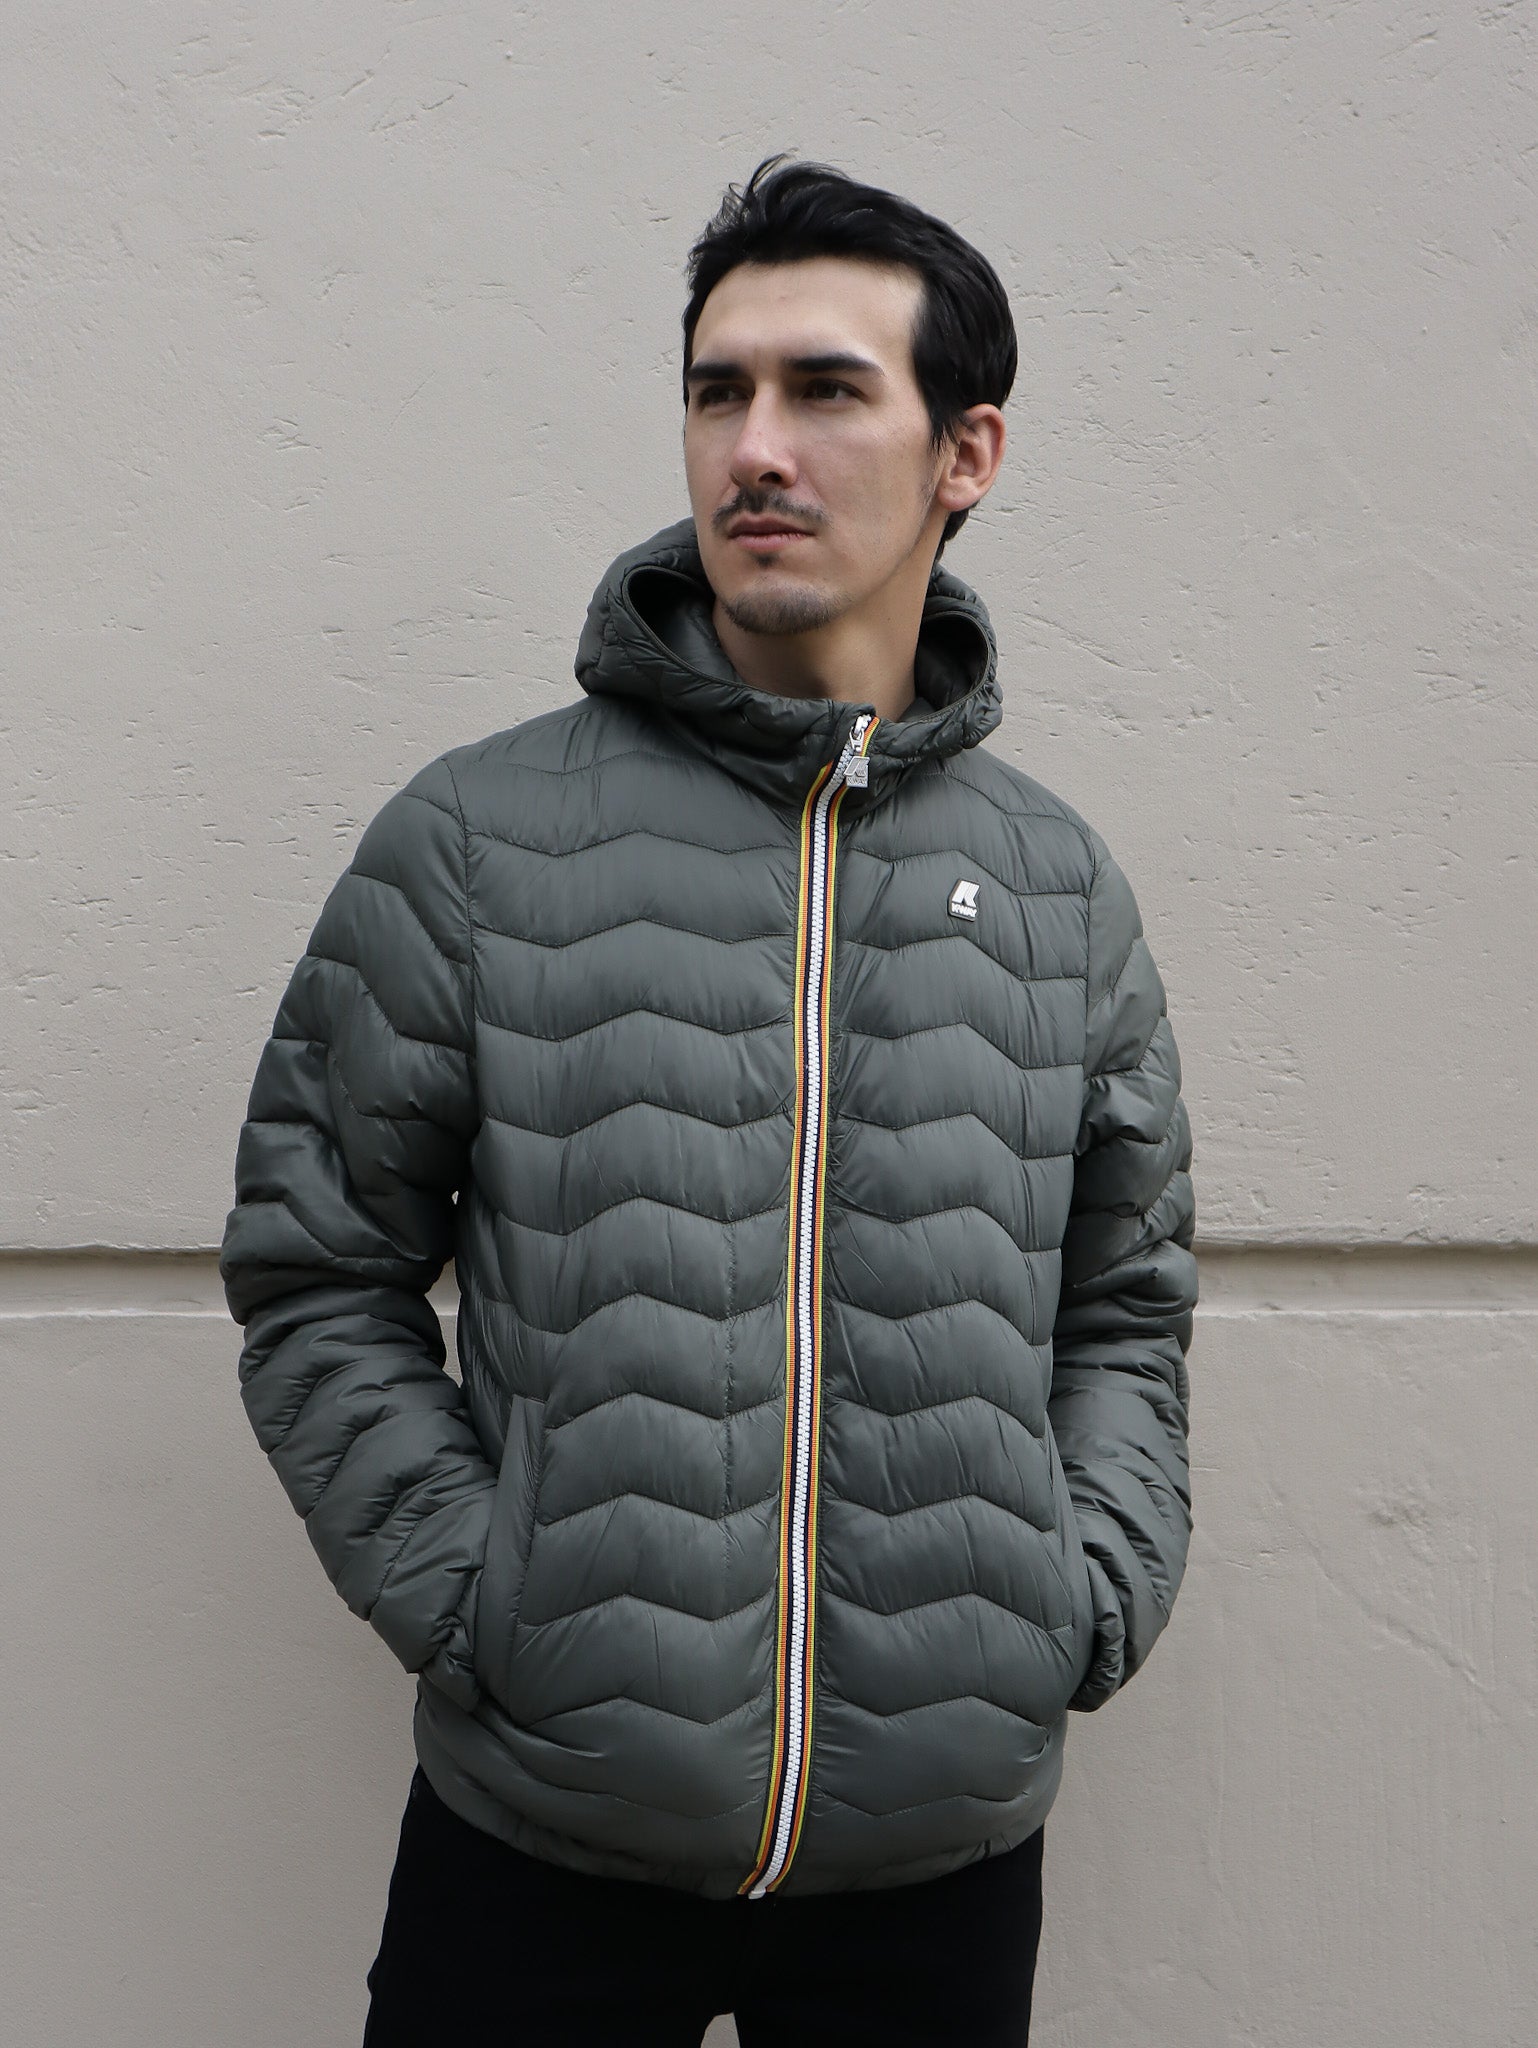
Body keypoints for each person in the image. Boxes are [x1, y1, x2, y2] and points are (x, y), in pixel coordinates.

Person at [221, 155, 1197, 2046]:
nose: (755, 447)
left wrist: (1077, 1599)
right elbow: (316, 1273)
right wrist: (481, 1602)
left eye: (825, 391)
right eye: (716, 391)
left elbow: (1124, 1305)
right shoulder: (478, 840)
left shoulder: (1056, 888)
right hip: (542, 1843)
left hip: (937, 1862)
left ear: (967, 452)